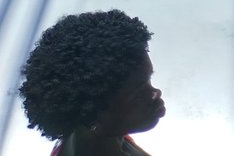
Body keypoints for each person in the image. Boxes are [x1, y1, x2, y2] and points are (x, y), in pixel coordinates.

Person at [20, 9, 164, 156]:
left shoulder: (102, 135)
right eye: (138, 94)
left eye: (149, 79)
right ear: (94, 114)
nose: (156, 93)